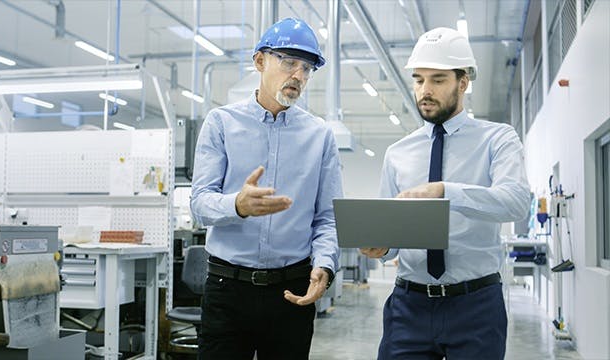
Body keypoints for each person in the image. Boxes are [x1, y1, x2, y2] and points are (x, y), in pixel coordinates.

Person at [361, 27, 531, 360]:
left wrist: (445, 191)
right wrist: (380, 247)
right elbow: (390, 232)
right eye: (419, 79)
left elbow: (516, 202)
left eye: (438, 80)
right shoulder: (398, 152)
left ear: (463, 82)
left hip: (476, 306)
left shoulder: (497, 139)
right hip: (409, 305)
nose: (425, 90)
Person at [190, 17, 343, 360]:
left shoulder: (320, 136)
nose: (299, 76)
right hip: (227, 290)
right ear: (260, 61)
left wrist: (325, 265)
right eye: (289, 62)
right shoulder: (221, 123)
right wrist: (238, 205)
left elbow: (328, 218)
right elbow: (199, 204)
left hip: (292, 291)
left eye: (307, 68)